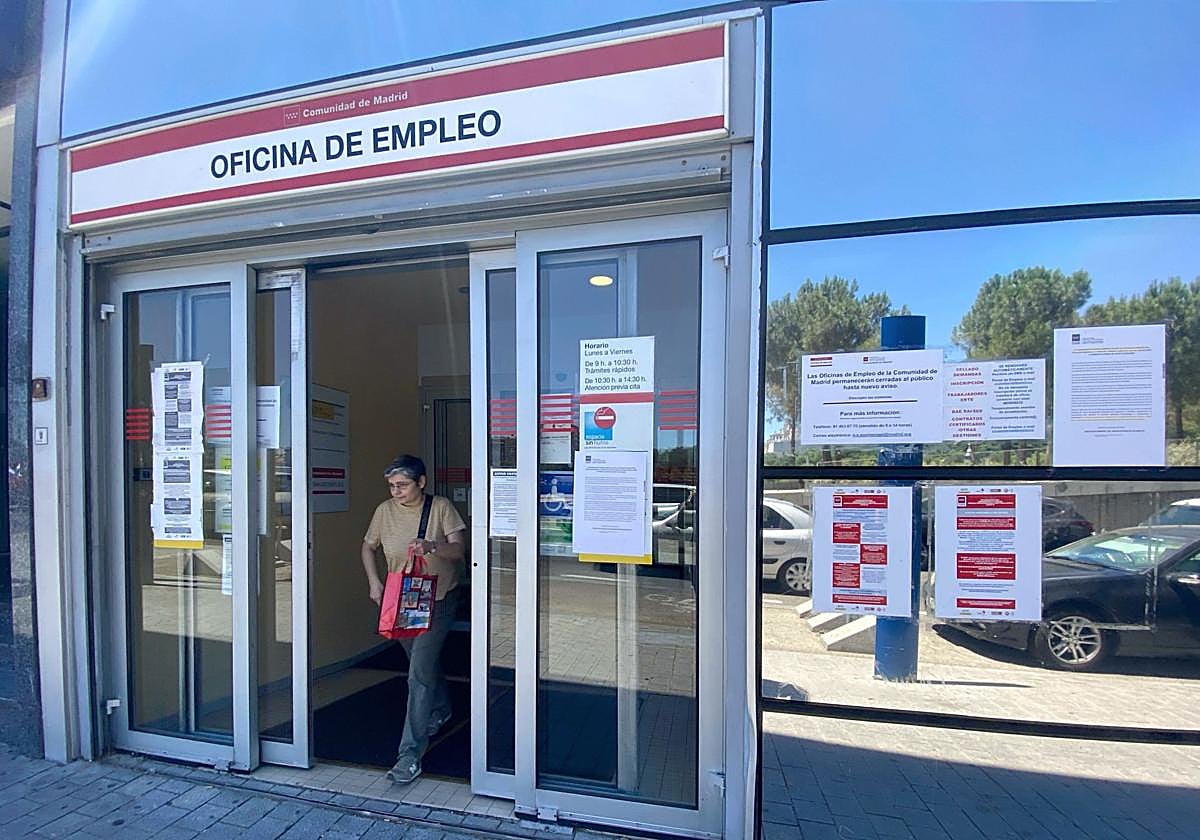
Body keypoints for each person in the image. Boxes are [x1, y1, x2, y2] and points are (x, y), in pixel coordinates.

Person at [361, 454, 466, 784]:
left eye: (403, 485)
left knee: (417, 674)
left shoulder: (440, 507)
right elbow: (367, 547)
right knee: (421, 663)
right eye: (392, 486)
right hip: (402, 600)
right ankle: (441, 709)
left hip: (438, 598)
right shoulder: (384, 511)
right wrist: (374, 581)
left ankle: (409, 754)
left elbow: (459, 551)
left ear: (421, 482)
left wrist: (431, 546)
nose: (396, 491)